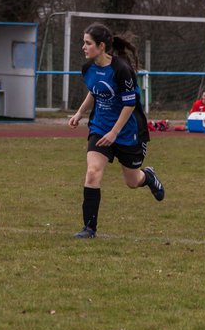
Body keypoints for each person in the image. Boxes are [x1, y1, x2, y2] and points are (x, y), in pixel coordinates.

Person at [67, 23, 164, 239]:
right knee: (92, 172)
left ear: (101, 46)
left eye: (87, 43)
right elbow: (94, 91)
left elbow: (129, 105)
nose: (83, 47)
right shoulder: (88, 68)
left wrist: (114, 133)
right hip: (100, 126)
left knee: (132, 182)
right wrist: (80, 113)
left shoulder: (122, 70)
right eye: (83, 42)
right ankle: (89, 228)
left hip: (127, 131)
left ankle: (148, 176)